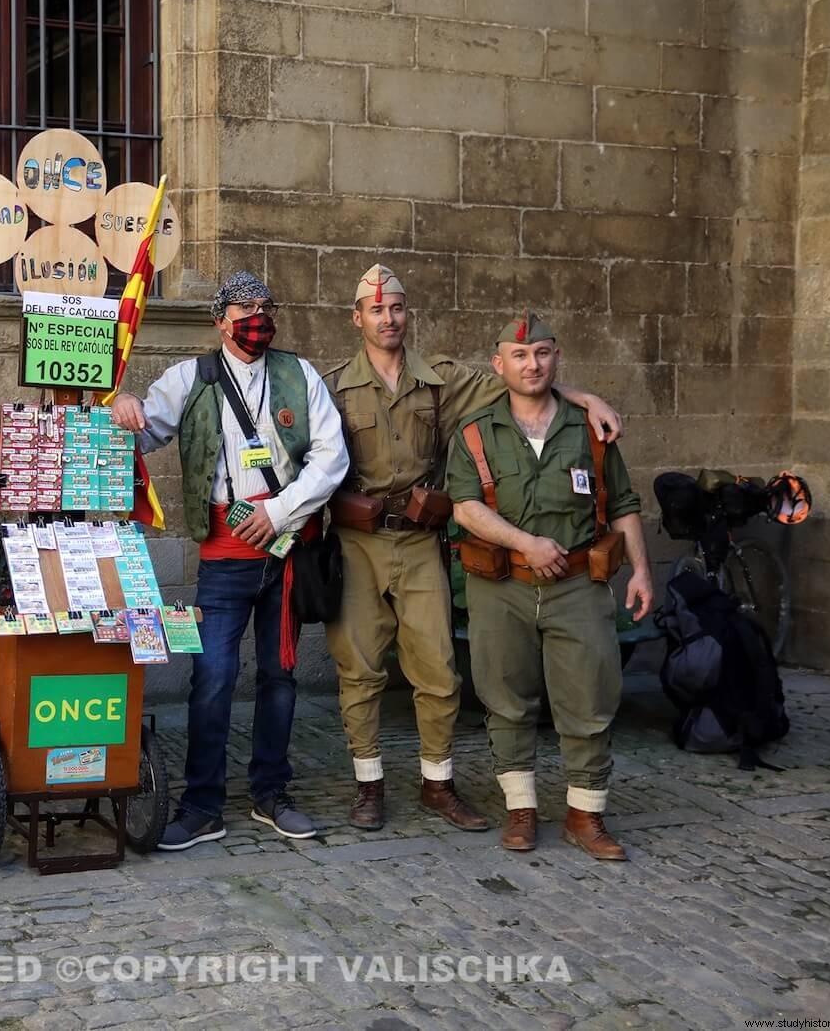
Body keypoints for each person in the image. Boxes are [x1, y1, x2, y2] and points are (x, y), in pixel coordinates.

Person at [322, 264, 623, 832]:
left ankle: (438, 783)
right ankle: (370, 785)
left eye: (398, 308)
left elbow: (524, 383)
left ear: (408, 314)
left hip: (419, 542)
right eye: (376, 310)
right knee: (359, 670)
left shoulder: (442, 378)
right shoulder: (332, 385)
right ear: (356, 317)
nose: (389, 319)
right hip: (355, 543)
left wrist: (584, 398)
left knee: (438, 671)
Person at [110, 270, 348, 850]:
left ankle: (271, 793)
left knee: (279, 677)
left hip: (286, 548)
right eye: (244, 309)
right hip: (223, 555)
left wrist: (283, 509)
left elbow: (330, 455)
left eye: (266, 306)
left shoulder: (300, 374)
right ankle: (202, 805)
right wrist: (121, 403)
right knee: (212, 679)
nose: (257, 317)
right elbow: (143, 432)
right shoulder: (189, 378)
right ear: (220, 321)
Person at [446, 311, 653, 860]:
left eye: (541, 352)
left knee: (589, 697)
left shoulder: (592, 429)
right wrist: (524, 543)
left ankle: (586, 816)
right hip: (501, 587)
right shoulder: (474, 432)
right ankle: (521, 811)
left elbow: (624, 503)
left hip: (580, 585)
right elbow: (465, 508)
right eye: (519, 355)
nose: (531, 363)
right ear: (499, 364)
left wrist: (642, 572)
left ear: (556, 357)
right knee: (505, 698)